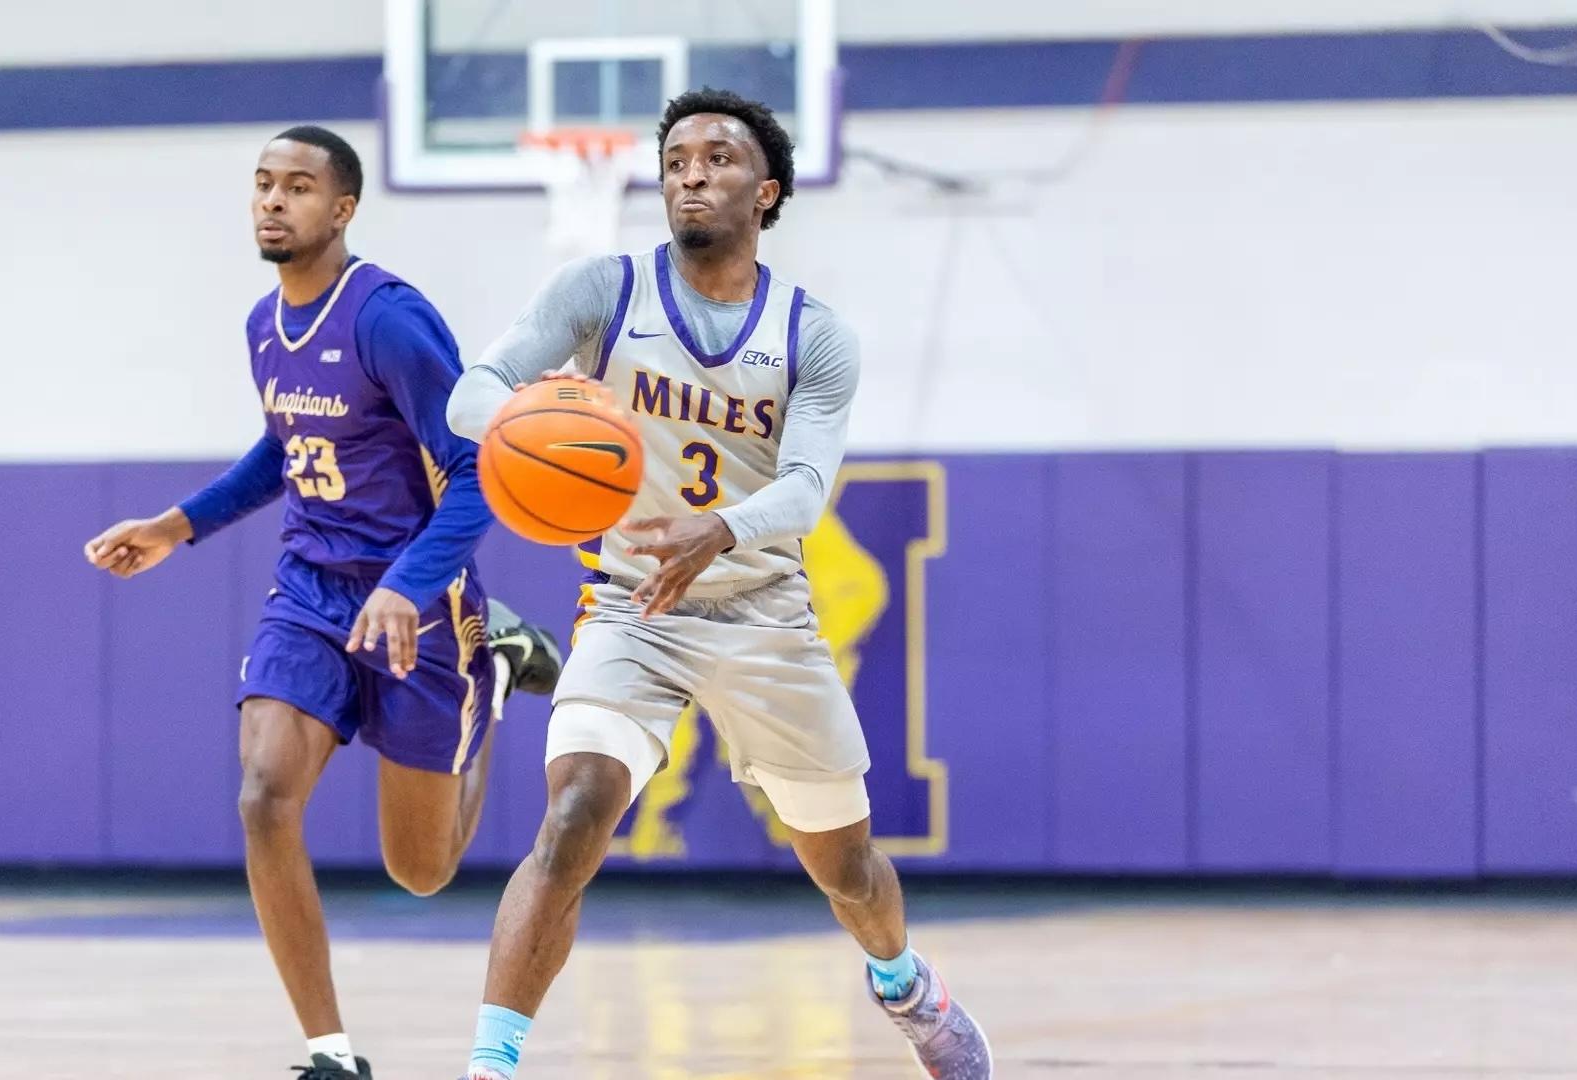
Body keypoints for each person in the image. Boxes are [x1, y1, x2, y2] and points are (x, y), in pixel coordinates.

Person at [443, 90, 992, 1080]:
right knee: (571, 825)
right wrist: (538, 413)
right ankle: (492, 1065)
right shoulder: (600, 292)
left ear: (765, 191)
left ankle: (904, 982)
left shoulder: (814, 336)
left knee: (848, 869)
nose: (691, 172)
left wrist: (723, 530)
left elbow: (808, 490)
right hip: (629, 606)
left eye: (718, 159)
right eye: (677, 160)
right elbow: (470, 390)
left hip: (761, 612)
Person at [82, 125, 562, 1079]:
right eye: (262, 184)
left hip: (420, 602)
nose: (272, 201)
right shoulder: (266, 324)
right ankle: (330, 1054)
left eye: (297, 187)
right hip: (309, 590)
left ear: (341, 210)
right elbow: (285, 448)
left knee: (419, 872)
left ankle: (495, 666)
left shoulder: (390, 320)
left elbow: (480, 473)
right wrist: (179, 524)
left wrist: (406, 586)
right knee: (265, 796)